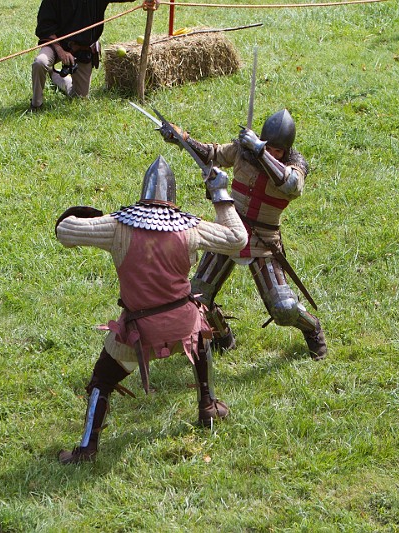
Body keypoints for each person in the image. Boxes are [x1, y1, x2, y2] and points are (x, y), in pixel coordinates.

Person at [54, 155, 247, 464]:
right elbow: (238, 238)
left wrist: (91, 215)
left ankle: (88, 448)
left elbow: (65, 231)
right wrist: (221, 196)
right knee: (199, 329)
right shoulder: (191, 228)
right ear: (172, 195)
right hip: (182, 327)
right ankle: (207, 406)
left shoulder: (116, 226)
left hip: (138, 336)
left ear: (142, 192)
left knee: (103, 379)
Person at [161, 109, 328, 360]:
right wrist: (181, 137)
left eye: (278, 151)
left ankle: (311, 327)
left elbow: (291, 185)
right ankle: (221, 335)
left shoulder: (294, 166)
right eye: (269, 147)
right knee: (197, 298)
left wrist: (261, 152)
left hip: (263, 241)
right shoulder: (243, 150)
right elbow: (211, 154)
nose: (273, 153)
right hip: (228, 230)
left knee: (283, 308)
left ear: (286, 151)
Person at [30, 0, 158, 112]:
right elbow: (44, 26)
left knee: (79, 97)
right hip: (56, 44)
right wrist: (61, 52)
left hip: (82, 48)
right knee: (40, 62)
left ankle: (55, 75)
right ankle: (36, 104)